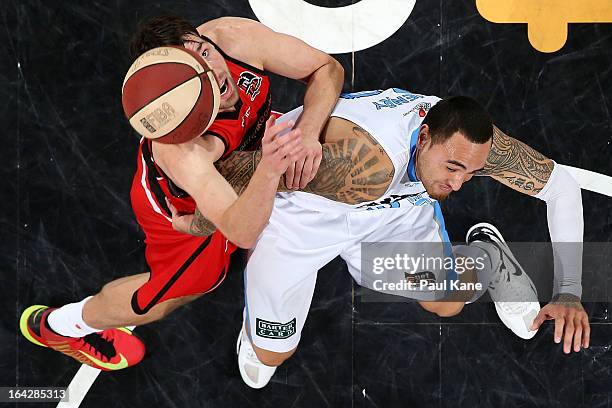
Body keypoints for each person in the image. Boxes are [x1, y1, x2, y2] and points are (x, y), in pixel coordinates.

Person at [169, 89, 588, 388]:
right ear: (422, 137)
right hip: (301, 223)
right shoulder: (359, 165)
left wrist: (570, 291)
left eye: (470, 172)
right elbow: (249, 175)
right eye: (454, 167)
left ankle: (488, 257)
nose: (460, 184)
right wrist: (199, 223)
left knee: (446, 300)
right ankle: (259, 335)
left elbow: (561, 187)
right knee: (272, 355)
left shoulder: (469, 144)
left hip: (391, 217)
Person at [19, 15, 344, 371]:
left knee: (339, 150)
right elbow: (242, 229)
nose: (216, 72)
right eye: (195, 69)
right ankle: (60, 326)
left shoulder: (233, 38)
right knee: (167, 296)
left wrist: (309, 132)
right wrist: (267, 170)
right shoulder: (181, 149)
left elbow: (326, 68)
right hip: (183, 205)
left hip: (255, 154)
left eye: (205, 51)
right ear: (175, 86)